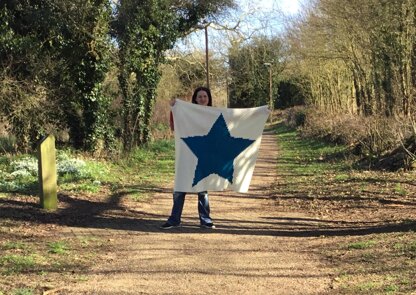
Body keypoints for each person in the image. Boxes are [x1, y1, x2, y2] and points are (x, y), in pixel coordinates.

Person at [161, 86, 215, 230]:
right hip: (186, 153)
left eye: (205, 96)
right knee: (180, 186)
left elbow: (234, 121)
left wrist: (258, 114)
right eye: (200, 96)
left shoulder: (215, 114)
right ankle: (174, 219)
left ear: (209, 98)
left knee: (202, 188)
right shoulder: (188, 113)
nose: (202, 99)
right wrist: (174, 109)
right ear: (195, 99)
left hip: (203, 156)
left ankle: (205, 220)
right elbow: (175, 127)